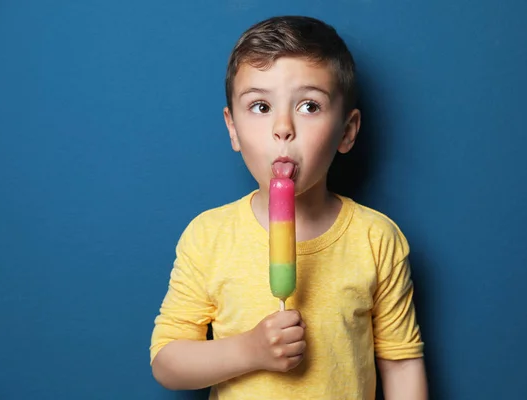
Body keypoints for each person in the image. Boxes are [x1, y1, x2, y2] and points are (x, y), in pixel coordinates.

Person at [150, 15, 428, 400]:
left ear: (347, 131)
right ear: (232, 128)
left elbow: (402, 364)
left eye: (309, 106)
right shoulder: (209, 237)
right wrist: (250, 350)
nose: (283, 128)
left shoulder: (376, 239)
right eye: (261, 106)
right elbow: (167, 363)